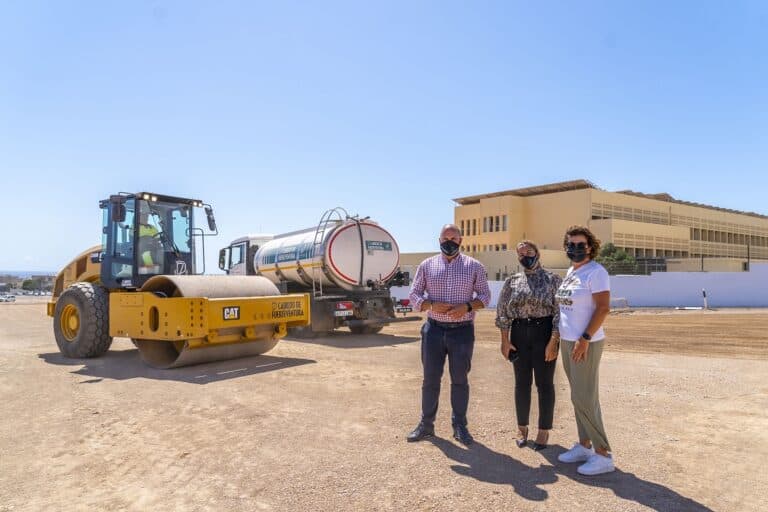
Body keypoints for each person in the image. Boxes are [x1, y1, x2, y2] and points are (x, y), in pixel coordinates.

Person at [406, 224, 491, 446]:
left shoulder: (474, 266)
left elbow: (485, 296)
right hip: (433, 330)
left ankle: (460, 426)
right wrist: (429, 304)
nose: (449, 242)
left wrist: (468, 306)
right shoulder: (427, 265)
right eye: (445, 238)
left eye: (453, 238)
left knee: (460, 380)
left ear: (461, 241)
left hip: (462, 332)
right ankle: (426, 425)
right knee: (430, 379)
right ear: (439, 240)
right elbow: (414, 293)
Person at [555, 225, 614, 475]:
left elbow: (603, 308)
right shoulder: (571, 271)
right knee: (577, 395)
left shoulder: (596, 272)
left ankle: (603, 455)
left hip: (585, 342)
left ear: (590, 246)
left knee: (586, 397)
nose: (575, 249)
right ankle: (584, 445)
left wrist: (585, 338)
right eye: (571, 244)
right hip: (568, 342)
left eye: (580, 245)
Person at [496, 240, 562, 451]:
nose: (526, 256)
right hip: (519, 334)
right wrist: (505, 340)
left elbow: (560, 313)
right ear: (518, 258)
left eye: (530, 252)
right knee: (521, 383)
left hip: (544, 333)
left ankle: (543, 430)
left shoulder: (553, 280)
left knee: (545, 384)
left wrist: (553, 341)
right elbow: (502, 312)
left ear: (538, 253)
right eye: (522, 254)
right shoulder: (512, 281)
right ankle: (522, 428)